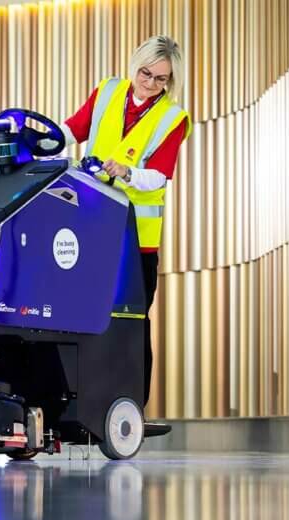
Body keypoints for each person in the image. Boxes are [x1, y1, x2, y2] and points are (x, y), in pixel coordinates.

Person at [48, 35, 191, 407]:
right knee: (77, 314)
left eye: (161, 79)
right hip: (90, 229)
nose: (150, 83)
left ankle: (129, 405)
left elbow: (159, 177)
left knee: (130, 324)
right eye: (146, 73)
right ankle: (77, 401)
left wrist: (126, 172)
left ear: (171, 80)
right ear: (135, 66)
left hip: (135, 241)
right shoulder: (109, 92)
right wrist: (45, 139)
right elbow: (72, 130)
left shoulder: (172, 118)